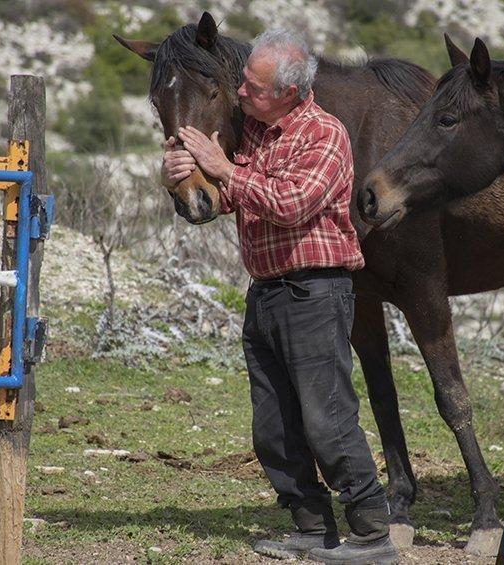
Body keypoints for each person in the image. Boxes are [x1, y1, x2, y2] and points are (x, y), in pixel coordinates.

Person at [162, 29, 398, 565]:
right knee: (274, 424)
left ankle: (371, 534)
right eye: (242, 82)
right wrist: (180, 175)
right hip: (268, 291)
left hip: (315, 290)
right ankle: (310, 526)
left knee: (327, 416)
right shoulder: (258, 135)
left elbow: (290, 203)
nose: (241, 92)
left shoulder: (324, 134)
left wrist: (223, 169)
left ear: (290, 93)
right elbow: (227, 199)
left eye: (253, 87)